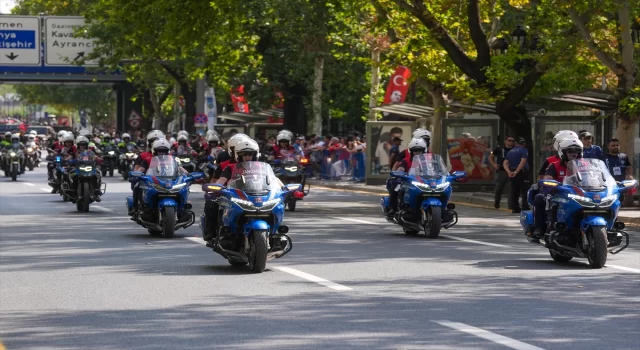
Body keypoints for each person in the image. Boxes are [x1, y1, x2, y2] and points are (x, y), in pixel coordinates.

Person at [531, 138, 584, 239]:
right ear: (563, 153)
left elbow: (594, 177)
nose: (574, 154)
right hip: (559, 194)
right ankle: (539, 227)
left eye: (577, 151)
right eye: (570, 151)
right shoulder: (554, 166)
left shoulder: (584, 166)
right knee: (539, 198)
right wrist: (551, 184)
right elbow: (547, 179)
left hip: (580, 194)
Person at [385, 138, 427, 217]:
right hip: (408, 182)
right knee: (397, 189)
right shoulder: (406, 161)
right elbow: (401, 169)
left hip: (424, 183)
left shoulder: (427, 162)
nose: (417, 153)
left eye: (419, 150)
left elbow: (435, 170)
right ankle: (393, 208)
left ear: (424, 151)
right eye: (415, 150)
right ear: (411, 151)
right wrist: (399, 174)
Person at [503, 137, 530, 213]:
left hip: (512, 171)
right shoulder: (524, 150)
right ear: (523, 143)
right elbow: (523, 162)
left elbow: (505, 163)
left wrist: (509, 172)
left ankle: (514, 207)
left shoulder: (511, 151)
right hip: (522, 172)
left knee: (514, 190)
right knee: (524, 189)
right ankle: (525, 205)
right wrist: (517, 171)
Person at [490, 136, 514, 209]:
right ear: (505, 141)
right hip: (502, 170)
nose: (511, 142)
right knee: (499, 188)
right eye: (509, 140)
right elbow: (491, 156)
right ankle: (497, 202)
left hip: (512, 170)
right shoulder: (500, 148)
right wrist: (494, 164)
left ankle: (510, 205)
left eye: (513, 141)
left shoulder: (515, 149)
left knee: (511, 188)